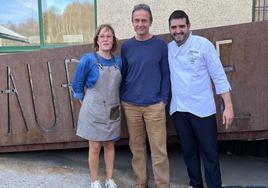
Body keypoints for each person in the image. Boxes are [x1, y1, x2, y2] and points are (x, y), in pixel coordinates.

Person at [168, 10, 234, 188]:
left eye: (182, 26)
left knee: (210, 154)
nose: (178, 30)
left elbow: (219, 76)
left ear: (189, 26)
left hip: (202, 110)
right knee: (189, 154)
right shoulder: (169, 49)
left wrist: (228, 106)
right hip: (179, 110)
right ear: (170, 29)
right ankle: (195, 184)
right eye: (174, 27)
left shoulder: (203, 45)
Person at [120, 4, 170, 188]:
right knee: (137, 148)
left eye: (144, 20)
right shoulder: (126, 47)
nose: (140, 24)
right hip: (131, 105)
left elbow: (166, 75)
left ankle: (163, 185)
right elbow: (123, 74)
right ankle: (141, 183)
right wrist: (123, 98)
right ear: (132, 22)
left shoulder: (160, 46)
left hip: (154, 106)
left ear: (150, 22)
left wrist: (163, 100)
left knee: (159, 150)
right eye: (137, 20)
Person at [72, 24, 121, 188]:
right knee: (94, 147)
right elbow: (78, 86)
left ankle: (109, 179)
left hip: (113, 109)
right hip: (93, 110)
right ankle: (94, 181)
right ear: (97, 40)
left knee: (109, 145)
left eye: (109, 36)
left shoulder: (119, 62)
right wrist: (86, 105)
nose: (106, 39)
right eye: (102, 36)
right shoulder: (88, 59)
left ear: (113, 40)